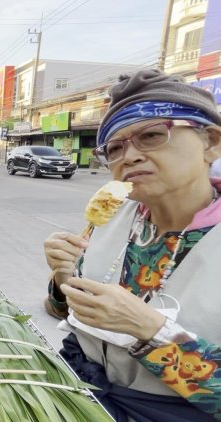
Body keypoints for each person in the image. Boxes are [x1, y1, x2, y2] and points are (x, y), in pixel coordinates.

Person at [43, 69, 221, 421]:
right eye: (115, 148)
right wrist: (62, 279)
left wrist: (151, 334)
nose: (130, 156)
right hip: (77, 393)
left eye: (153, 135)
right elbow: (62, 312)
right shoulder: (111, 219)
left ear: (211, 142)